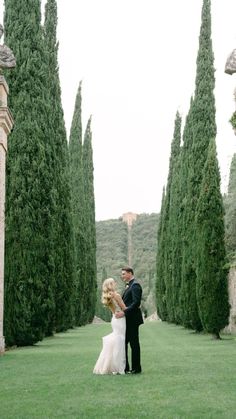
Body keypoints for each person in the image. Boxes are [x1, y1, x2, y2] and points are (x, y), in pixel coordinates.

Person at [93, 278, 127, 375]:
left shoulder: (108, 297)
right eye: (114, 282)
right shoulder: (116, 295)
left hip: (114, 319)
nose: (116, 283)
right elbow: (124, 308)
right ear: (111, 284)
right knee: (120, 342)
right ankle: (118, 367)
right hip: (120, 319)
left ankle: (112, 365)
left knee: (116, 341)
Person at [115, 266, 143, 374]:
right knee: (124, 343)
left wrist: (124, 312)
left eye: (124, 274)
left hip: (133, 320)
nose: (122, 276)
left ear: (130, 273)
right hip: (127, 319)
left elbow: (136, 303)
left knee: (134, 344)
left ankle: (136, 368)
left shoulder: (135, 285)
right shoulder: (129, 286)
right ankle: (125, 368)